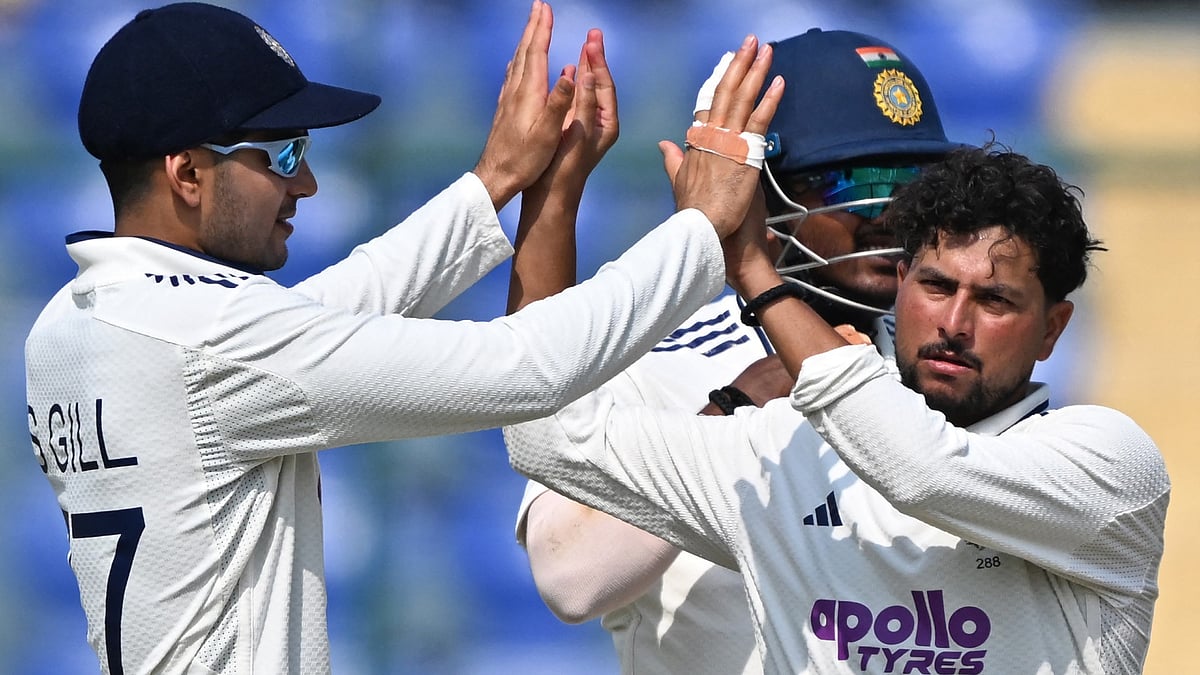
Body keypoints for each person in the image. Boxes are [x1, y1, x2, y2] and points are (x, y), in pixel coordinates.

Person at [22, 2, 786, 672]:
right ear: (188, 173)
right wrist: (701, 229)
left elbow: (324, 316)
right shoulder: (207, 342)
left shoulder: (74, 324)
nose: (306, 186)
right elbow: (526, 367)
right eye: (283, 154)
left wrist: (493, 182)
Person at [504, 143, 1169, 673]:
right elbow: (547, 441)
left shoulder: (1109, 467)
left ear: (1052, 328)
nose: (955, 323)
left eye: (995, 301)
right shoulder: (780, 445)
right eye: (936, 286)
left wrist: (754, 274)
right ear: (901, 284)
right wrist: (552, 195)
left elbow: (920, 471)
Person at [510, 28, 965, 675]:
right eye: (847, 182)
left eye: (912, 183)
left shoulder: (946, 355)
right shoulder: (650, 351)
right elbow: (570, 574)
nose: (889, 211)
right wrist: (738, 404)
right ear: (755, 186)